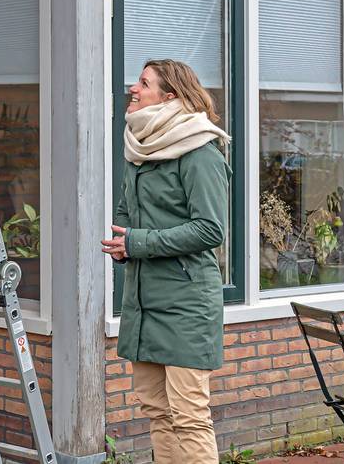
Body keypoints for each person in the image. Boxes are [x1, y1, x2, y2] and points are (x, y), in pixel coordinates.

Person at [102, 59, 230, 464]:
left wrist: (137, 242)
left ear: (170, 95)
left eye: (144, 84)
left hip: (186, 304)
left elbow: (211, 230)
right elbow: (127, 211)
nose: (133, 90)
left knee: (189, 417)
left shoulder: (199, 151)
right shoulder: (140, 147)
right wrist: (124, 240)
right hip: (144, 301)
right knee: (157, 412)